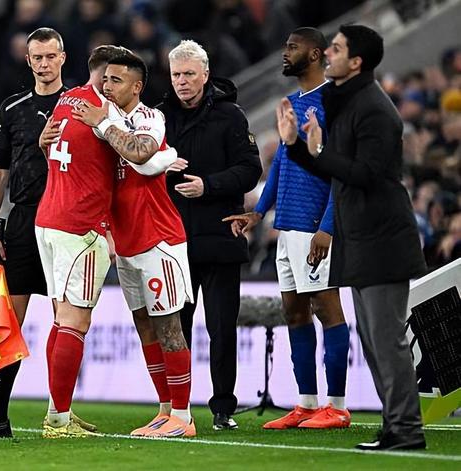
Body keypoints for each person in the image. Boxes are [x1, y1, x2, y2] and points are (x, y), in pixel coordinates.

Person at [278, 24, 427, 450]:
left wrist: (318, 152)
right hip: (360, 238)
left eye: (338, 49)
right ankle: (394, 425)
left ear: (356, 62)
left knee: (387, 339)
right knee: (374, 342)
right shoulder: (349, 103)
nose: (329, 54)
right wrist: (298, 147)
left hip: (383, 239)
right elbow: (337, 172)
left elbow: (365, 175)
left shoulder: (375, 110)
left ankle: (406, 429)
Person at [0, 28, 94, 439]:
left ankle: (60, 413)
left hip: (67, 220)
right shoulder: (12, 108)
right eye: (37, 57)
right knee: (10, 320)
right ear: (28, 61)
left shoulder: (81, 106)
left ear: (63, 57)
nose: (44, 64)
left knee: (65, 320)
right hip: (24, 221)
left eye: (50, 56)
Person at [223, 28, 351, 430]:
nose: (285, 52)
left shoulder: (334, 102)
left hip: (315, 226)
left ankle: (338, 405)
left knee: (327, 308)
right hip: (287, 225)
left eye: (293, 47)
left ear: (314, 54)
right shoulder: (293, 103)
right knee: (295, 312)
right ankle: (307, 403)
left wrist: (327, 226)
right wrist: (260, 212)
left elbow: (341, 173)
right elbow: (281, 162)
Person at [72, 51, 196, 437]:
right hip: (125, 242)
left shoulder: (149, 118)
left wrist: (107, 125)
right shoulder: (102, 122)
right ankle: (165, 409)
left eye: (116, 80)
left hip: (158, 238)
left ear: (137, 86)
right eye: (105, 79)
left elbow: (141, 154)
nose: (107, 86)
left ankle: (184, 417)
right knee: (145, 327)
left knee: (169, 326)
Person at [158, 39, 262, 430]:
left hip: (219, 236)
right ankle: (175, 408)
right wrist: (160, 167)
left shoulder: (230, 116)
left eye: (189, 73)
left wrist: (209, 185)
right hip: (173, 241)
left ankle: (223, 408)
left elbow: (251, 169)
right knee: (175, 331)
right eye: (176, 74)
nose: (182, 81)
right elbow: (136, 170)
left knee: (221, 329)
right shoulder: (158, 118)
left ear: (205, 74)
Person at [34, 44, 130, 438]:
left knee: (61, 319)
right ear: (105, 75)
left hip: (48, 218)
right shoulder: (102, 110)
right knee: (76, 321)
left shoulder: (66, 100)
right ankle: (58, 420)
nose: (118, 86)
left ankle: (58, 410)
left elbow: (51, 149)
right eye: (116, 78)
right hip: (80, 226)